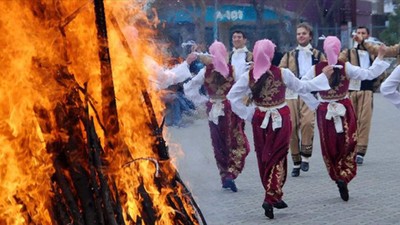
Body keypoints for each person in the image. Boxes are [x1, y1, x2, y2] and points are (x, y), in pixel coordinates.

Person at [227, 39, 331, 219]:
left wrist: (249, 113)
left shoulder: (249, 75)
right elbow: (303, 87)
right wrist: (323, 77)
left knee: (266, 158)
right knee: (278, 157)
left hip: (260, 119)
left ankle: (274, 194)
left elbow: (232, 97)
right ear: (271, 54)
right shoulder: (283, 73)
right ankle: (271, 195)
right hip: (280, 118)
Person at [300, 36, 389, 202]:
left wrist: (314, 103)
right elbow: (368, 74)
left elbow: (302, 87)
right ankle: (344, 175)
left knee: (329, 146)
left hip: (325, 110)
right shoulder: (345, 66)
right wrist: (380, 57)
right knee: (348, 143)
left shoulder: (316, 68)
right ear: (339, 49)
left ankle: (337, 175)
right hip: (344, 108)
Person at [183, 41, 251, 192]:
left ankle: (225, 175)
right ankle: (231, 173)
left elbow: (189, 88)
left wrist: (204, 101)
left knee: (219, 143)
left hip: (213, 109)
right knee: (239, 143)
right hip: (230, 109)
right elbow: (243, 88)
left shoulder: (205, 71)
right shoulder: (233, 70)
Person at [279, 22, 325, 177]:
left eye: (304, 33)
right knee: (291, 128)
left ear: (310, 36)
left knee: (307, 123)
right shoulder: (289, 55)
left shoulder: (318, 55)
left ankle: (305, 157)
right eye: (298, 33)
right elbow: (280, 73)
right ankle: (296, 161)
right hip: (292, 94)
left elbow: (325, 73)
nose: (301, 36)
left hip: (310, 93)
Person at [338, 26, 383, 165]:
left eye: (363, 33)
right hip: (351, 90)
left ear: (368, 35)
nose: (360, 35)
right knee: (351, 121)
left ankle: (361, 151)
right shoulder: (349, 52)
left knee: (364, 121)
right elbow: (339, 63)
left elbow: (380, 70)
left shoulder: (372, 52)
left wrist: (375, 86)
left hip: (366, 90)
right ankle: (349, 148)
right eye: (358, 32)